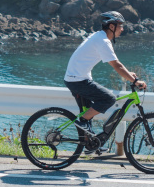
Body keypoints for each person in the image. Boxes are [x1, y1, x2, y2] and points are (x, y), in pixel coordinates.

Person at [63, 11, 147, 140]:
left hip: (75, 78)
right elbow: (116, 65)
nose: (122, 29)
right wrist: (135, 80)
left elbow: (116, 64)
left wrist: (128, 74)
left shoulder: (98, 36)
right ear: (112, 27)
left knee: (87, 112)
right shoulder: (103, 41)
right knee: (108, 99)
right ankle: (82, 122)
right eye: (120, 26)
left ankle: (90, 145)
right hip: (78, 81)